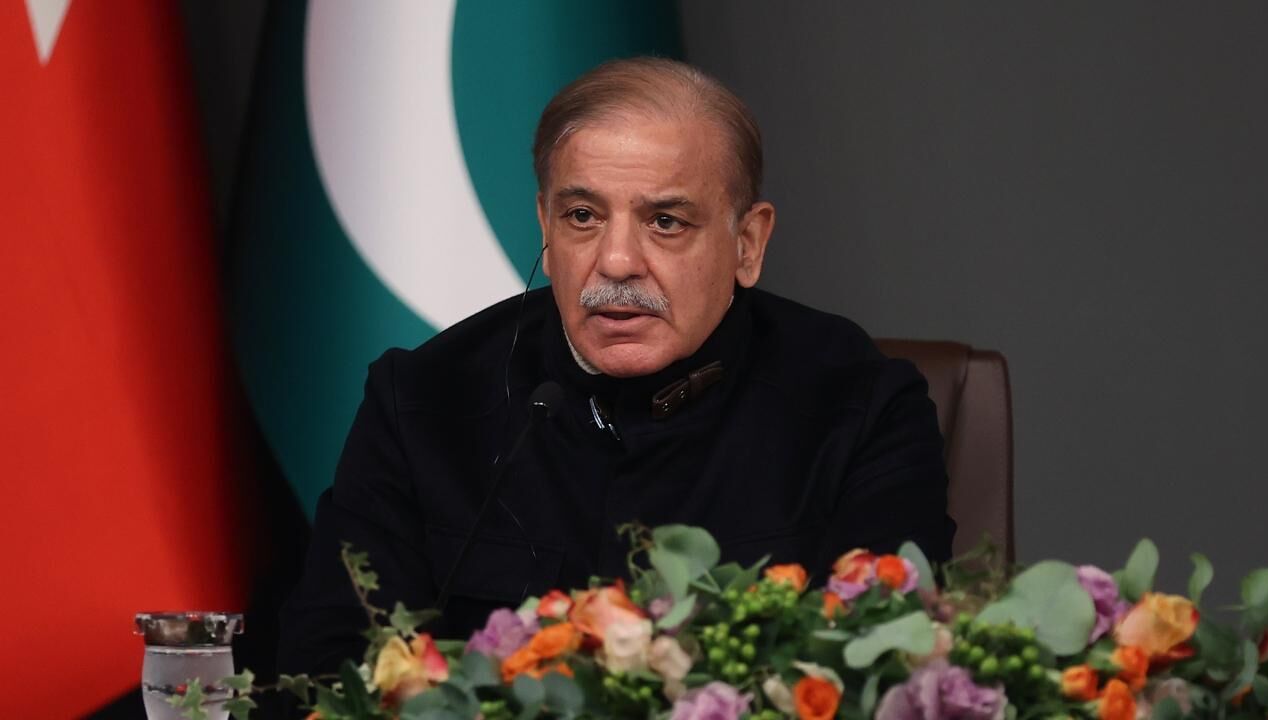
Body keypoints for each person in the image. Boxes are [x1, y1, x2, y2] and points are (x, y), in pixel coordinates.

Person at [279, 57, 954, 673]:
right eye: (582, 215)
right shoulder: (423, 401)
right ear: (545, 229)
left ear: (747, 243)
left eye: (666, 222)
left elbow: (886, 674)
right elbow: (328, 668)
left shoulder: (859, 407)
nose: (617, 261)